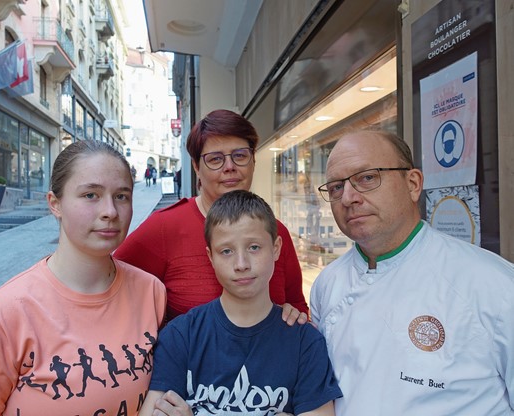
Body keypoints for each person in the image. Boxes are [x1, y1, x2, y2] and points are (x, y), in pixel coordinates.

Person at [311, 129, 514, 415]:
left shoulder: (494, 285)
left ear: (413, 184)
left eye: (367, 177)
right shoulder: (327, 284)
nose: (348, 197)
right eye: (335, 187)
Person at [0, 140, 166, 415]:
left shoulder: (151, 292)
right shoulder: (3, 316)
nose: (110, 211)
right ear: (55, 204)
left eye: (121, 196)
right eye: (91, 195)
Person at [139, 190, 342, 416]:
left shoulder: (306, 342)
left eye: (254, 247)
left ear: (276, 249)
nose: (241, 264)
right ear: (210, 257)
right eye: (226, 251)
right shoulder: (181, 336)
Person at [115, 109, 308, 324]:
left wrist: (294, 315)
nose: (229, 167)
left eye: (240, 156)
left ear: (254, 160)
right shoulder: (164, 227)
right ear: (197, 167)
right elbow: (108, 283)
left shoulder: (275, 231)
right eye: (215, 159)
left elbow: (297, 304)